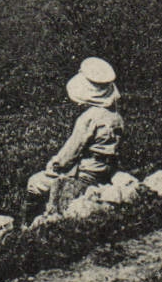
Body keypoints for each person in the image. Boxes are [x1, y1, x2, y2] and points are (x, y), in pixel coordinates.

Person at [22, 57, 125, 224]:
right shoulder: (115, 116)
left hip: (87, 174)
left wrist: (55, 164)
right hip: (106, 169)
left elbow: (70, 152)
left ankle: (30, 225)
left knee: (34, 182)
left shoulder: (89, 118)